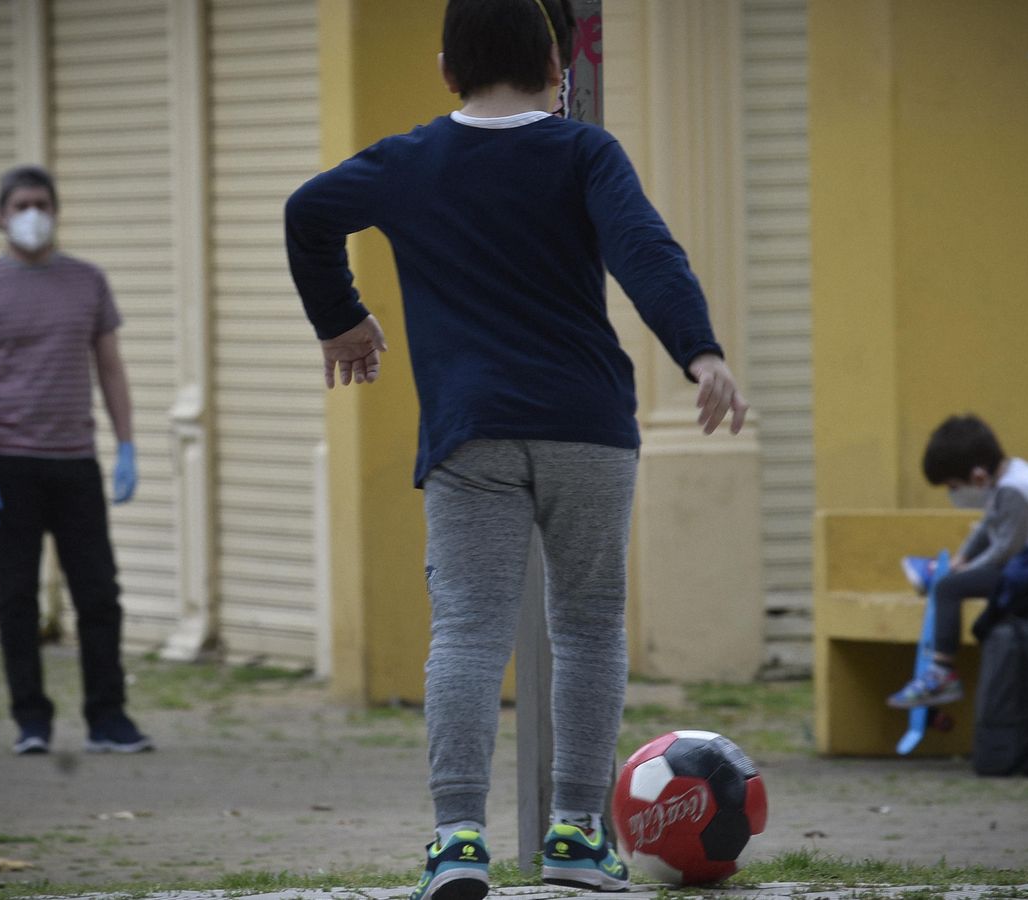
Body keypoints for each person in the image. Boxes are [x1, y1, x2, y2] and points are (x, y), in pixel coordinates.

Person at [283, 1, 749, 898]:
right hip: (588, 426)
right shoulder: (584, 151)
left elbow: (309, 213)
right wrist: (700, 351)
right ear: (555, 64)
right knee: (587, 627)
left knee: (466, 631)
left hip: (471, 432)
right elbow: (644, 250)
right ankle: (576, 834)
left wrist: (340, 322)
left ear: (446, 69)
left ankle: (457, 841)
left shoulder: (411, 160)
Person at [0, 165, 151, 756]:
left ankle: (108, 718)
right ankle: (30, 720)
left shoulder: (87, 282)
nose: (32, 214)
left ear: (56, 211)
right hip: (7, 462)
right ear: (0, 215)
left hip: (74, 461)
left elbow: (109, 366)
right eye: (20, 205)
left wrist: (127, 443)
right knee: (16, 596)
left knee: (98, 594)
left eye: (41, 203)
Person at [888, 414, 1028, 710]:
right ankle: (934, 576)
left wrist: (964, 571)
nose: (953, 494)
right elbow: (987, 528)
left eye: (952, 487)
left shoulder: (1015, 489)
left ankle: (942, 674)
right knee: (952, 578)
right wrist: (961, 558)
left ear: (977, 477)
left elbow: (1005, 549)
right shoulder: (1005, 478)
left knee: (948, 589)